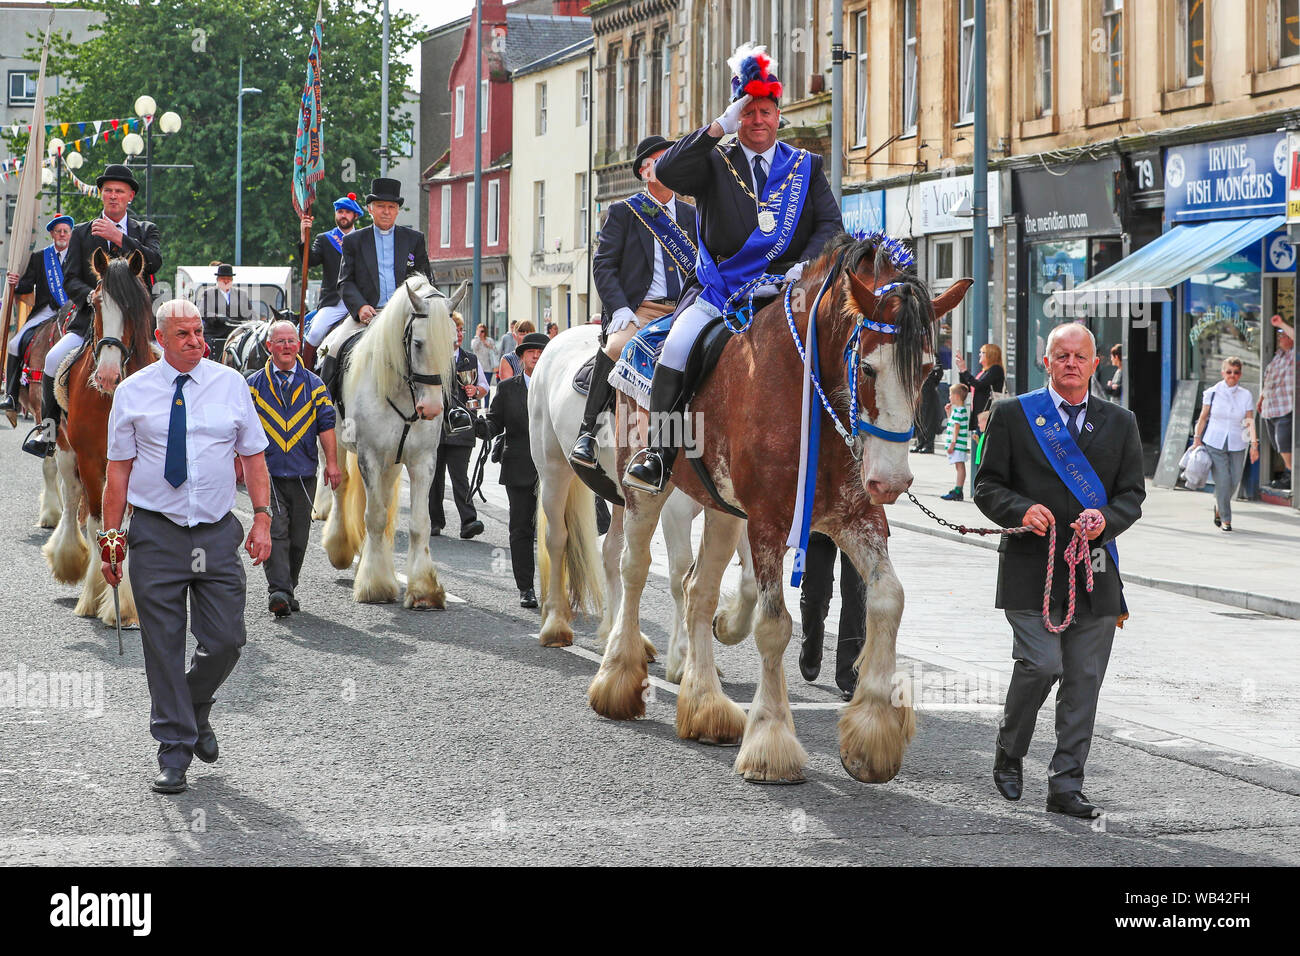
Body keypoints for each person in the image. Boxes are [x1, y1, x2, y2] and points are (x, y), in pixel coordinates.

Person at [622, 44, 842, 493]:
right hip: (721, 290)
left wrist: (805, 266)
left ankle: (845, 452)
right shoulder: (712, 162)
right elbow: (668, 169)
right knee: (677, 345)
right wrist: (717, 126)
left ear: (778, 114)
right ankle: (660, 454)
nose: (756, 120)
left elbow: (830, 225)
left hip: (788, 292)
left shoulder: (806, 166)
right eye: (747, 111)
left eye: (764, 110)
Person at [973, 322, 1145, 819]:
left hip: (1094, 567)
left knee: (1084, 680)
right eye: (1061, 355)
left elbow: (1132, 495)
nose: (1071, 363)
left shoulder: (1121, 422)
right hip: (1033, 566)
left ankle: (1066, 785)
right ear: (1045, 363)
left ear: (1095, 364)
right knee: (1042, 665)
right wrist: (1019, 510)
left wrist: (1106, 519)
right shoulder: (1013, 414)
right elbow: (986, 486)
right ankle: (1010, 749)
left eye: (1080, 355)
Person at [101, 299, 272, 794]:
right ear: (160, 339)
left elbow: (254, 458)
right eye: (184, 335)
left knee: (226, 641)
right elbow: (118, 472)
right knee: (162, 645)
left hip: (217, 531)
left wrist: (262, 519)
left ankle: (195, 703)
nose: (197, 341)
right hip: (156, 532)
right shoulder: (132, 393)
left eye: (200, 332)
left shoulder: (231, 384)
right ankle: (174, 750)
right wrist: (112, 538)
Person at [569, 134, 698, 470]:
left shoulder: (693, 215)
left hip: (686, 309)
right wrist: (621, 308)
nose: (670, 164)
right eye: (660, 159)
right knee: (615, 348)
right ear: (645, 171)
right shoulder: (624, 212)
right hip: (640, 309)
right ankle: (589, 430)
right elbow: (604, 264)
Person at [25, 164, 162, 458]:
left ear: (130, 197)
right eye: (108, 191)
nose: (113, 196)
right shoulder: (80, 233)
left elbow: (154, 262)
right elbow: (69, 277)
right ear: (101, 195)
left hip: (135, 325)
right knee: (51, 360)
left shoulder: (145, 230)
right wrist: (91, 296)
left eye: (119, 192)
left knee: (169, 363)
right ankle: (47, 433)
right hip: (91, 321)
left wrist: (118, 237)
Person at [245, 319, 341, 616]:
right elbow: (242, 428)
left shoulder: (315, 385)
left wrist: (333, 464)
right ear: (269, 346)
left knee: (299, 537)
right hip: (267, 474)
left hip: (303, 473)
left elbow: (326, 426)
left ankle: (288, 587)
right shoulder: (253, 385)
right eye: (281, 341)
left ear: (298, 346)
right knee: (276, 530)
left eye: (291, 341)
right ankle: (278, 590)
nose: (286, 346)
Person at [482, 331, 549, 608]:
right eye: (529, 351)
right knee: (520, 530)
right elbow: (494, 423)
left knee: (558, 532)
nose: (535, 355)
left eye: (541, 351)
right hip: (519, 468)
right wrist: (476, 426)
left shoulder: (559, 388)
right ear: (520, 358)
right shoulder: (508, 388)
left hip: (554, 472)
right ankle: (526, 589)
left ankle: (559, 588)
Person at [2, 215, 74, 415]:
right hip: (46, 311)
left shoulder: (78, 256)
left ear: (70, 234)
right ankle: (12, 396)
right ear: (51, 234)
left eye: (65, 231)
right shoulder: (40, 257)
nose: (61, 234)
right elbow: (27, 284)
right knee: (15, 344)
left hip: (73, 312)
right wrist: (15, 282)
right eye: (58, 231)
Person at [432, 312, 487, 540]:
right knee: (434, 477)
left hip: (463, 426)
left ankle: (468, 521)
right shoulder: (432, 358)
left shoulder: (470, 359)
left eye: (461, 330)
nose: (460, 334)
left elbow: (483, 386)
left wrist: (476, 391)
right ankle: (434, 521)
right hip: (434, 427)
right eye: (456, 330)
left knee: (459, 476)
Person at [298, 193, 366, 369]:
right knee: (314, 333)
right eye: (340, 211)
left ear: (355, 216)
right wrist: (304, 237)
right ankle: (305, 373)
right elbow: (310, 262)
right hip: (334, 301)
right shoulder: (325, 239)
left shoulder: (365, 239)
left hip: (362, 302)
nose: (343, 215)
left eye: (347, 212)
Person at [1191, 356, 1258, 532]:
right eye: (1229, 372)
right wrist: (1197, 438)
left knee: (1234, 480)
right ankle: (1226, 520)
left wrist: (1254, 444)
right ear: (1223, 372)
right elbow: (1203, 417)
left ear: (1240, 374)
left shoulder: (1246, 395)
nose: (1232, 375)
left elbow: (1249, 420)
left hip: (1238, 441)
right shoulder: (1212, 392)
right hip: (1214, 441)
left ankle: (1220, 507)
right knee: (1223, 481)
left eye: (1236, 372)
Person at [797, 532, 866, 701]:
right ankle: (811, 647)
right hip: (820, 516)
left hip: (857, 518)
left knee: (856, 597)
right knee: (814, 595)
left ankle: (852, 674)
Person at [1257, 315, 1294, 490]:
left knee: (1284, 443)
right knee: (1277, 444)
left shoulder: (1294, 356)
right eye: (1280, 335)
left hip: (1286, 406)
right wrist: (1261, 398)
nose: (1281, 338)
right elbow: (1268, 380)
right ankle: (1289, 472)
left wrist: (1280, 324)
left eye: (1284, 335)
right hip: (1270, 408)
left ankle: (1291, 474)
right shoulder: (1277, 357)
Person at [953, 341, 1005, 435]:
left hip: (988, 413)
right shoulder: (984, 372)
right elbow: (969, 386)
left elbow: (979, 385)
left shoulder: (996, 369)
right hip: (979, 414)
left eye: (982, 352)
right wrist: (961, 370)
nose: (979, 354)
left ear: (991, 355)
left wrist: (965, 370)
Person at [196, 264, 255, 334]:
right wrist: (217, 317)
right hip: (215, 334)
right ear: (217, 280)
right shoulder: (209, 293)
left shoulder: (242, 294)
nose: (226, 281)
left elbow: (250, 313)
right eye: (223, 278)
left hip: (237, 334)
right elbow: (203, 312)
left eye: (229, 279)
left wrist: (244, 323)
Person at [939, 382, 970, 501]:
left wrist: (952, 443)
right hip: (958, 444)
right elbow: (952, 423)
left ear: (956, 396)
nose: (949, 397)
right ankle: (958, 488)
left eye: (950, 395)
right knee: (959, 466)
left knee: (960, 466)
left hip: (957, 444)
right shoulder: (959, 411)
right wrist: (949, 413)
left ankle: (958, 490)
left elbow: (956, 428)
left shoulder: (959, 411)